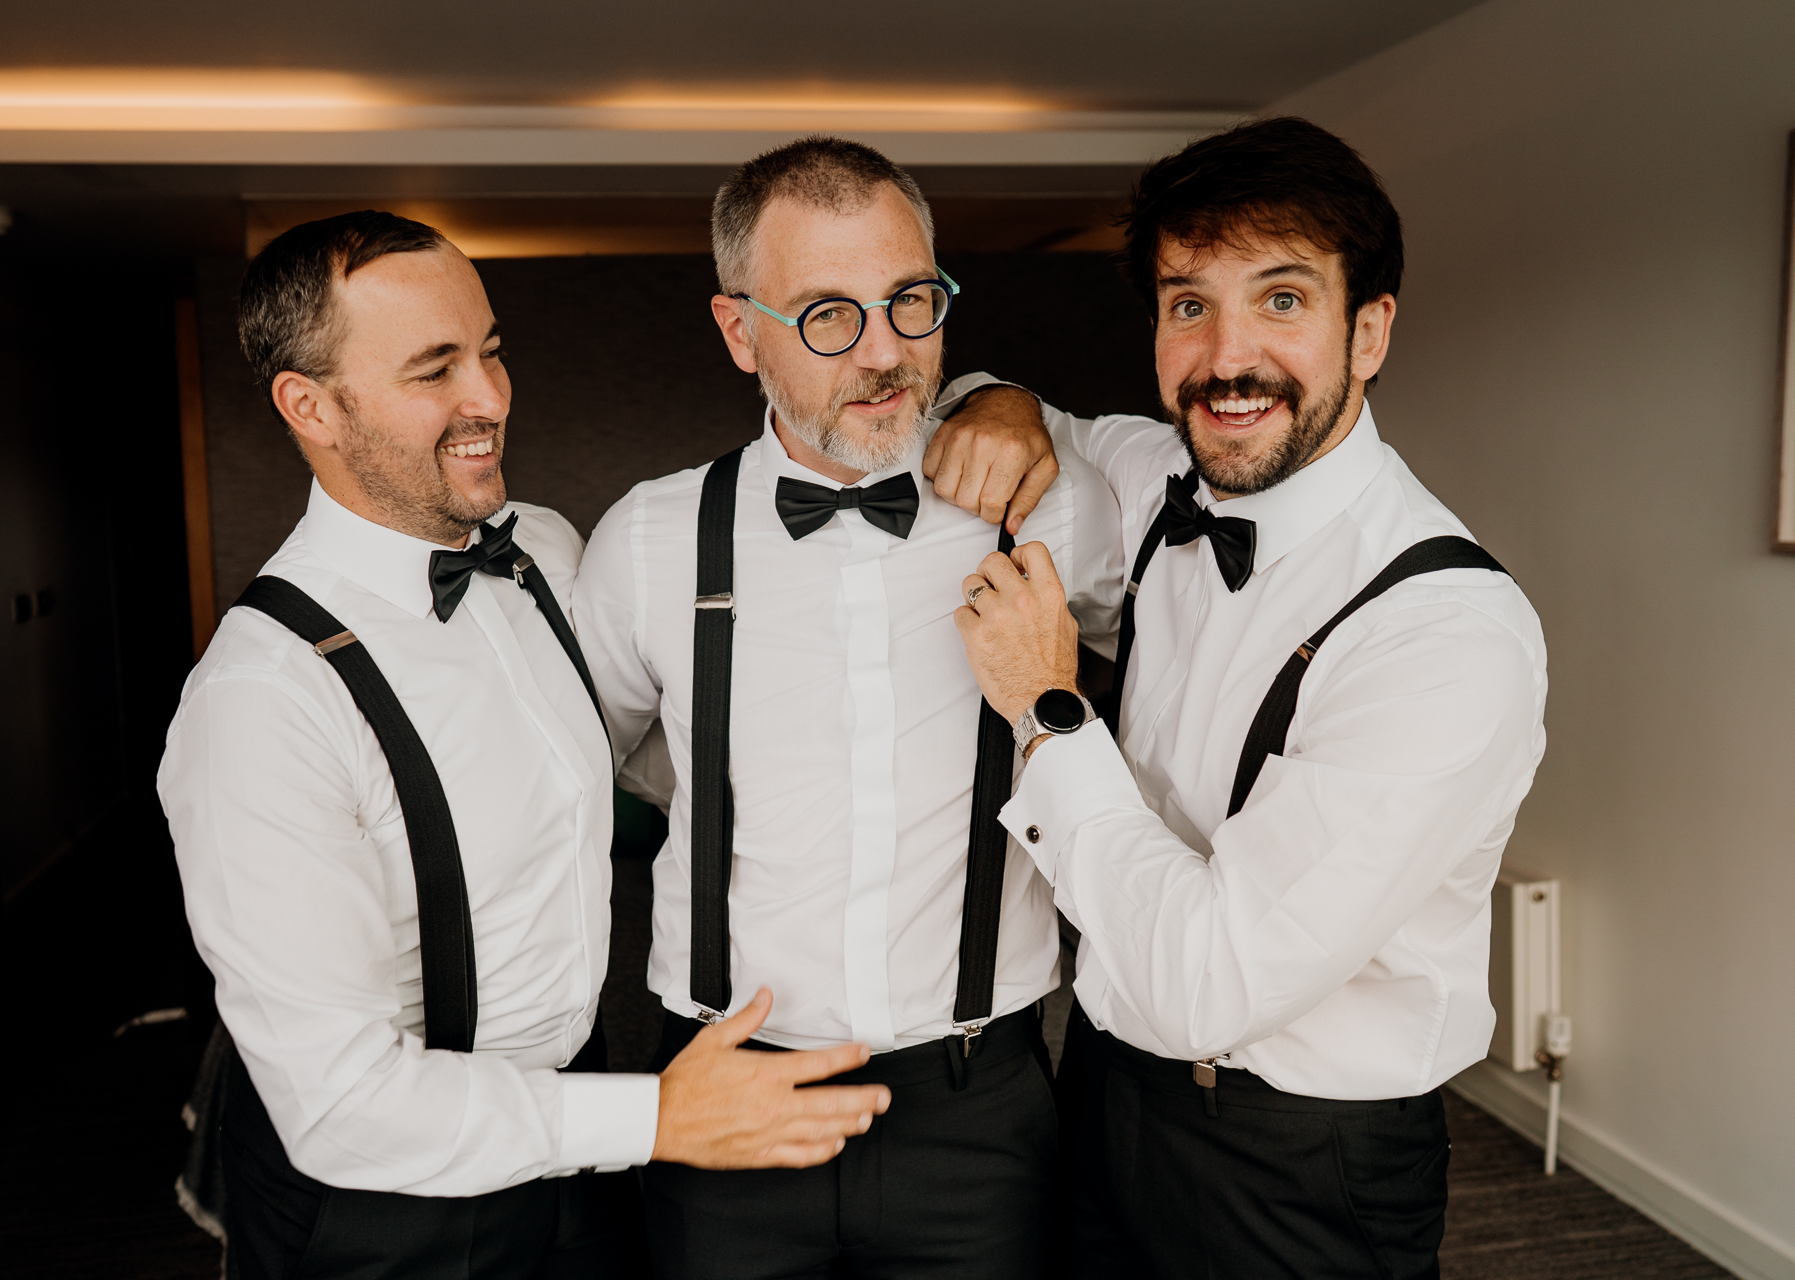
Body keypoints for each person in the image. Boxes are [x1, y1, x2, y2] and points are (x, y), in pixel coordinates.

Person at [158, 211, 892, 1280]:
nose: (490, 399)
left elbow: (633, 757)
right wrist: (657, 1118)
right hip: (390, 1209)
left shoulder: (540, 548)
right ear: (308, 405)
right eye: (433, 369)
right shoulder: (259, 702)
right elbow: (340, 1105)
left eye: (491, 350)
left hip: (580, 1153)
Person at [933, 117, 1549, 1278]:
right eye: (1187, 303)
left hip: (1301, 1164)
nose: (1226, 358)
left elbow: (1211, 980)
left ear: (1369, 331)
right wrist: (999, 394)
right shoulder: (1161, 467)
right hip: (1103, 1089)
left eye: (1280, 299)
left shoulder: (1445, 634)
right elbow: (1022, 414)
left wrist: (1049, 710)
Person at [574, 137, 1123, 1279]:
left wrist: (1009, 396)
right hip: (728, 1094)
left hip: (979, 1105)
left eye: (910, 302)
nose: (884, 354)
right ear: (740, 331)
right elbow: (593, 772)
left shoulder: (1049, 512)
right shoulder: (647, 541)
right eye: (828, 314)